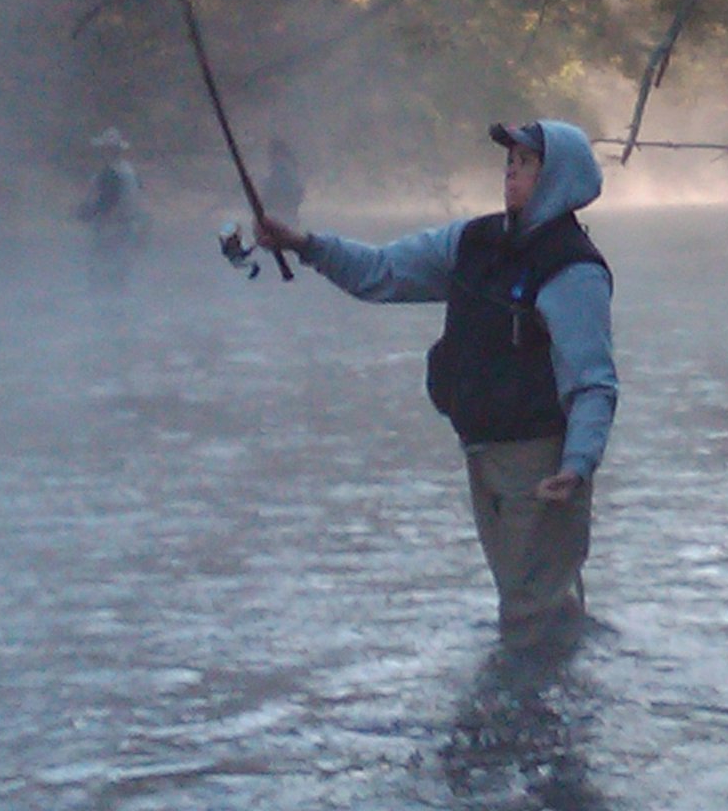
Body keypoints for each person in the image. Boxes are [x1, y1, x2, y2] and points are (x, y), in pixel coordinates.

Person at [255, 119, 618, 646]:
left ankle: (535, 718)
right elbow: (380, 272)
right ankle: (554, 705)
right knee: (533, 609)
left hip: (540, 464)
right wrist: (306, 246)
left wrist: (577, 465)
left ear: (558, 177)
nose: (510, 173)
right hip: (481, 454)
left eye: (526, 164)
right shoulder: (471, 242)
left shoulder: (573, 270)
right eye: (509, 163)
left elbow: (594, 383)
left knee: (530, 618)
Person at [76, 127, 150, 290]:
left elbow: (105, 203)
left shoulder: (110, 174)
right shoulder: (130, 172)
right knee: (120, 273)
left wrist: (84, 213)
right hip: (128, 229)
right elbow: (139, 201)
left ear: (106, 151)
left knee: (101, 275)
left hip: (110, 229)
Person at [260, 137, 306, 224]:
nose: (268, 155)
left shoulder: (281, 169)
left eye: (270, 152)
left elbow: (272, 192)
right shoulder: (291, 168)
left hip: (280, 218)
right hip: (289, 216)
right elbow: (300, 192)